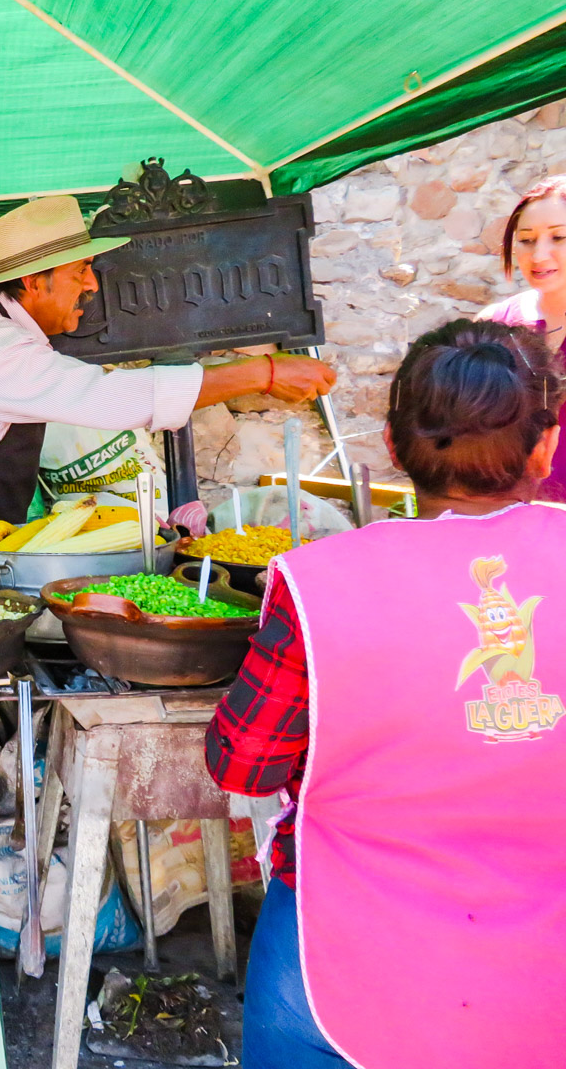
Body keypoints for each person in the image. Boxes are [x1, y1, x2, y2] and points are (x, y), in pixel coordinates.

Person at [207, 319, 566, 1069]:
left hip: (335, 965)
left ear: (395, 449)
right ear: (545, 446)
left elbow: (242, 766)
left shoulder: (315, 583)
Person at [0, 194, 337, 592]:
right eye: (80, 270)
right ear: (32, 280)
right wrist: (264, 371)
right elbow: (112, 398)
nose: (92, 285)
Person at [478, 175, 566, 495]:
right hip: (508, 518)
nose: (539, 255)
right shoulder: (494, 325)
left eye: (559, 237)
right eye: (527, 240)